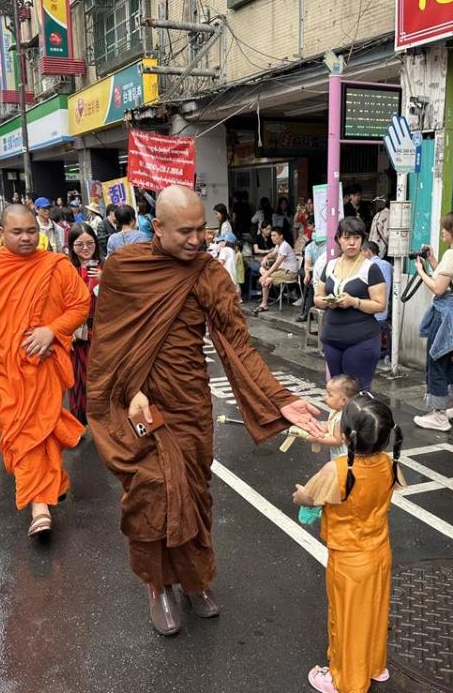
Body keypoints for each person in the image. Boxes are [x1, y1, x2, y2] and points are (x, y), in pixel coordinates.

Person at [87, 185, 325, 636]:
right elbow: (110, 340)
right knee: (152, 492)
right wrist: (127, 390)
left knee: (193, 495)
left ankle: (194, 581)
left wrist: (279, 397)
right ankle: (157, 585)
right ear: (156, 227)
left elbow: (237, 343)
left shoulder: (209, 274)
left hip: (189, 402)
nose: (197, 240)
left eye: (202, 229)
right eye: (185, 231)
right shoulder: (125, 268)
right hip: (138, 402)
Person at [0, 205, 90, 536]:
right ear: (2, 233)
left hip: (44, 365)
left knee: (40, 431)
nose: (25, 238)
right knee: (23, 432)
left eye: (31, 232)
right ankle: (46, 493)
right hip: (5, 371)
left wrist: (52, 331)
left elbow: (80, 305)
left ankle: (40, 502)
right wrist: (8, 350)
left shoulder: (55, 266)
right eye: (17, 232)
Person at [293, 395, 404, 693]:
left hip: (349, 559)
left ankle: (345, 679)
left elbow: (309, 497)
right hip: (380, 550)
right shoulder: (388, 463)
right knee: (375, 610)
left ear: (344, 434)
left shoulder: (339, 470)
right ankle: (374, 666)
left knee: (346, 620)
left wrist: (301, 493)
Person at [412, 209, 453, 431]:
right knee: (444, 359)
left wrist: (421, 271)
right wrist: (432, 260)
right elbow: (452, 279)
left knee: (435, 361)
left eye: (446, 228)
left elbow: (438, 287)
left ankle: (438, 414)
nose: (442, 231)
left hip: (446, 316)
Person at [315, 217, 387, 391]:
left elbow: (380, 305)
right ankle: (339, 420)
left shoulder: (371, 268)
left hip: (361, 340)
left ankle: (358, 419)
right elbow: (317, 297)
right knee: (337, 392)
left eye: (356, 238)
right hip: (332, 338)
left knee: (357, 393)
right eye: (347, 238)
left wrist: (354, 302)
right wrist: (328, 302)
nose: (351, 243)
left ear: (362, 240)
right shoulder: (330, 265)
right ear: (339, 239)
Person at [67, 224, 102, 424]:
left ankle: (103, 422)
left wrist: (103, 280)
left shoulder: (105, 267)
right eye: (79, 244)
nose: (86, 248)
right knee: (78, 379)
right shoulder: (66, 270)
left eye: (90, 243)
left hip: (101, 332)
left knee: (101, 378)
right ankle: (78, 423)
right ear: (71, 246)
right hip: (77, 333)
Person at [306, 374, 358, 460]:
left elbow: (337, 441)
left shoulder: (342, 419)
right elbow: (330, 423)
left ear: (343, 400)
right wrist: (322, 427)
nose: (325, 397)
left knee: (340, 472)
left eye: (330, 395)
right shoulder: (335, 410)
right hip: (337, 453)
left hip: (343, 457)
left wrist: (317, 439)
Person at [252, 226, 300, 315]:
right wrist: (265, 258)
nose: (272, 238)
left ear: (281, 236)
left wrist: (266, 275)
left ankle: (264, 304)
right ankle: (264, 302)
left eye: (274, 235)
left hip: (289, 273)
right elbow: (272, 254)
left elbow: (277, 263)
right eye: (271, 236)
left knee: (266, 280)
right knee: (262, 271)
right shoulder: (279, 245)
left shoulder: (284, 246)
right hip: (281, 271)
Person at [363, 241, 393, 361]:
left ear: (368, 252)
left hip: (375, 308)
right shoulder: (387, 265)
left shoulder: (370, 266)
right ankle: (386, 353)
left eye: (362, 252)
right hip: (384, 308)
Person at [296, 219, 325, 323]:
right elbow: (307, 264)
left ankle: (306, 312)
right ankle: (306, 312)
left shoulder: (328, 246)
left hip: (324, 271)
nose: (314, 234)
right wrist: (308, 273)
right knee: (308, 279)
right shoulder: (309, 246)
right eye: (314, 232)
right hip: (312, 271)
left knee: (312, 284)